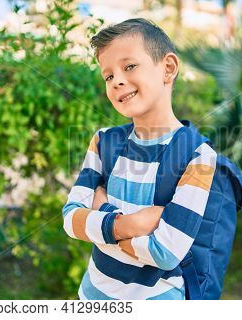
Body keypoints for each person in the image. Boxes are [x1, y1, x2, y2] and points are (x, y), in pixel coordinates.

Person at [62, 18, 217, 300]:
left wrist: (100, 211)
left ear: (167, 68)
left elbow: (166, 252)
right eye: (108, 76)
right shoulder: (104, 141)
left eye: (129, 66)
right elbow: (70, 219)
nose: (117, 80)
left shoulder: (198, 155)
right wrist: (132, 224)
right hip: (91, 296)